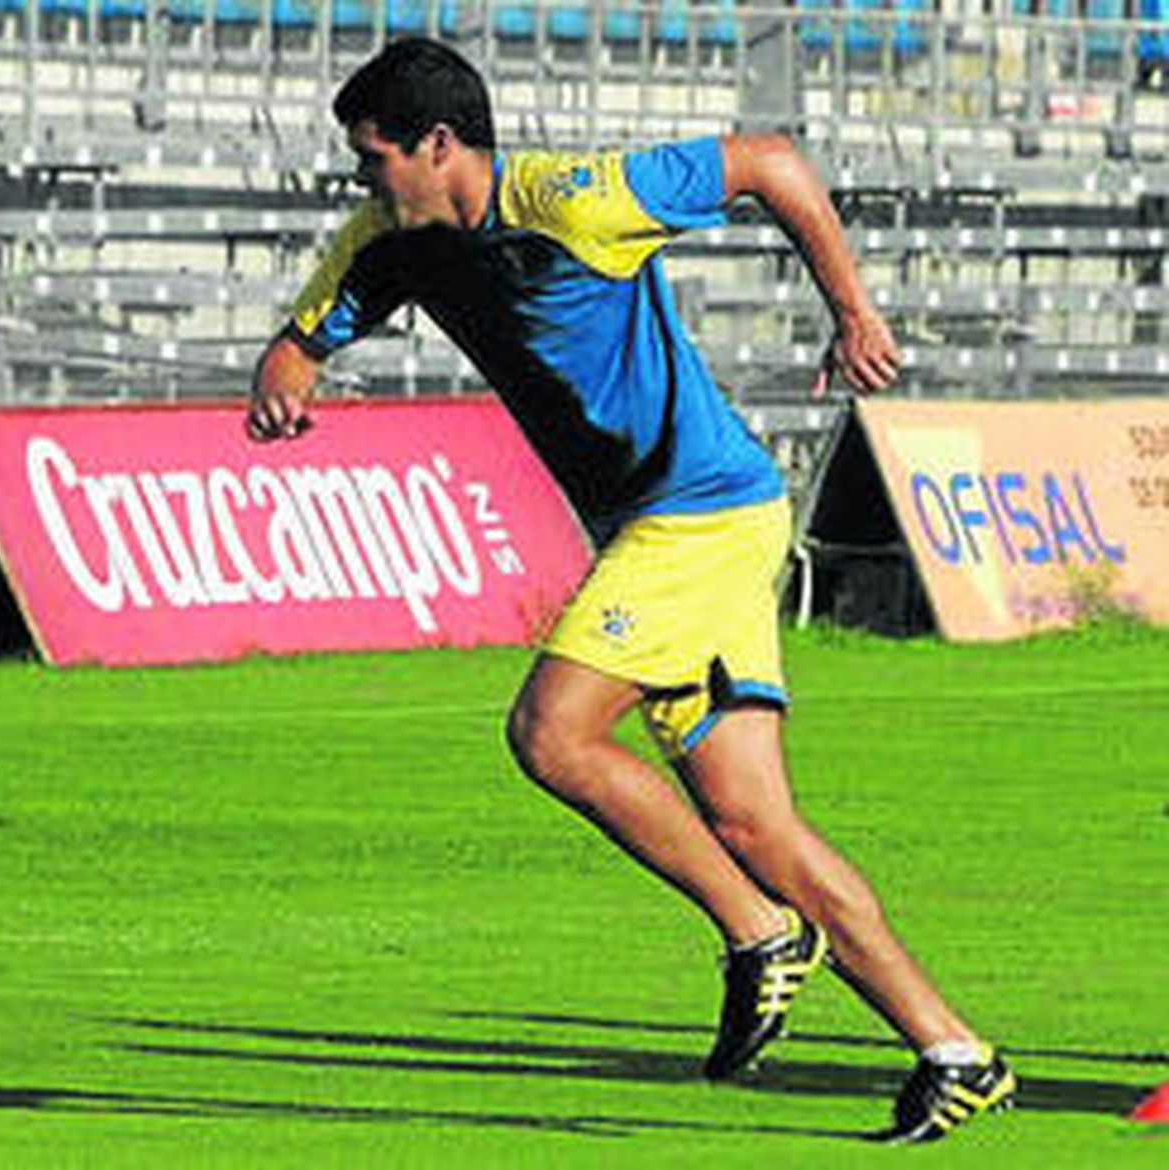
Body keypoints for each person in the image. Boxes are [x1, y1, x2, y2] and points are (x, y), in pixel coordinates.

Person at [244, 37, 1014, 1143]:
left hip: (696, 514)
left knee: (551, 733)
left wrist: (851, 312)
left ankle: (759, 935)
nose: (361, 184)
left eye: (373, 161)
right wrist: (283, 379)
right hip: (684, 518)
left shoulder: (571, 197)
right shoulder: (390, 242)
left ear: (439, 146)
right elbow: (301, 340)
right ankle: (954, 1050)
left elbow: (769, 161)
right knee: (756, 822)